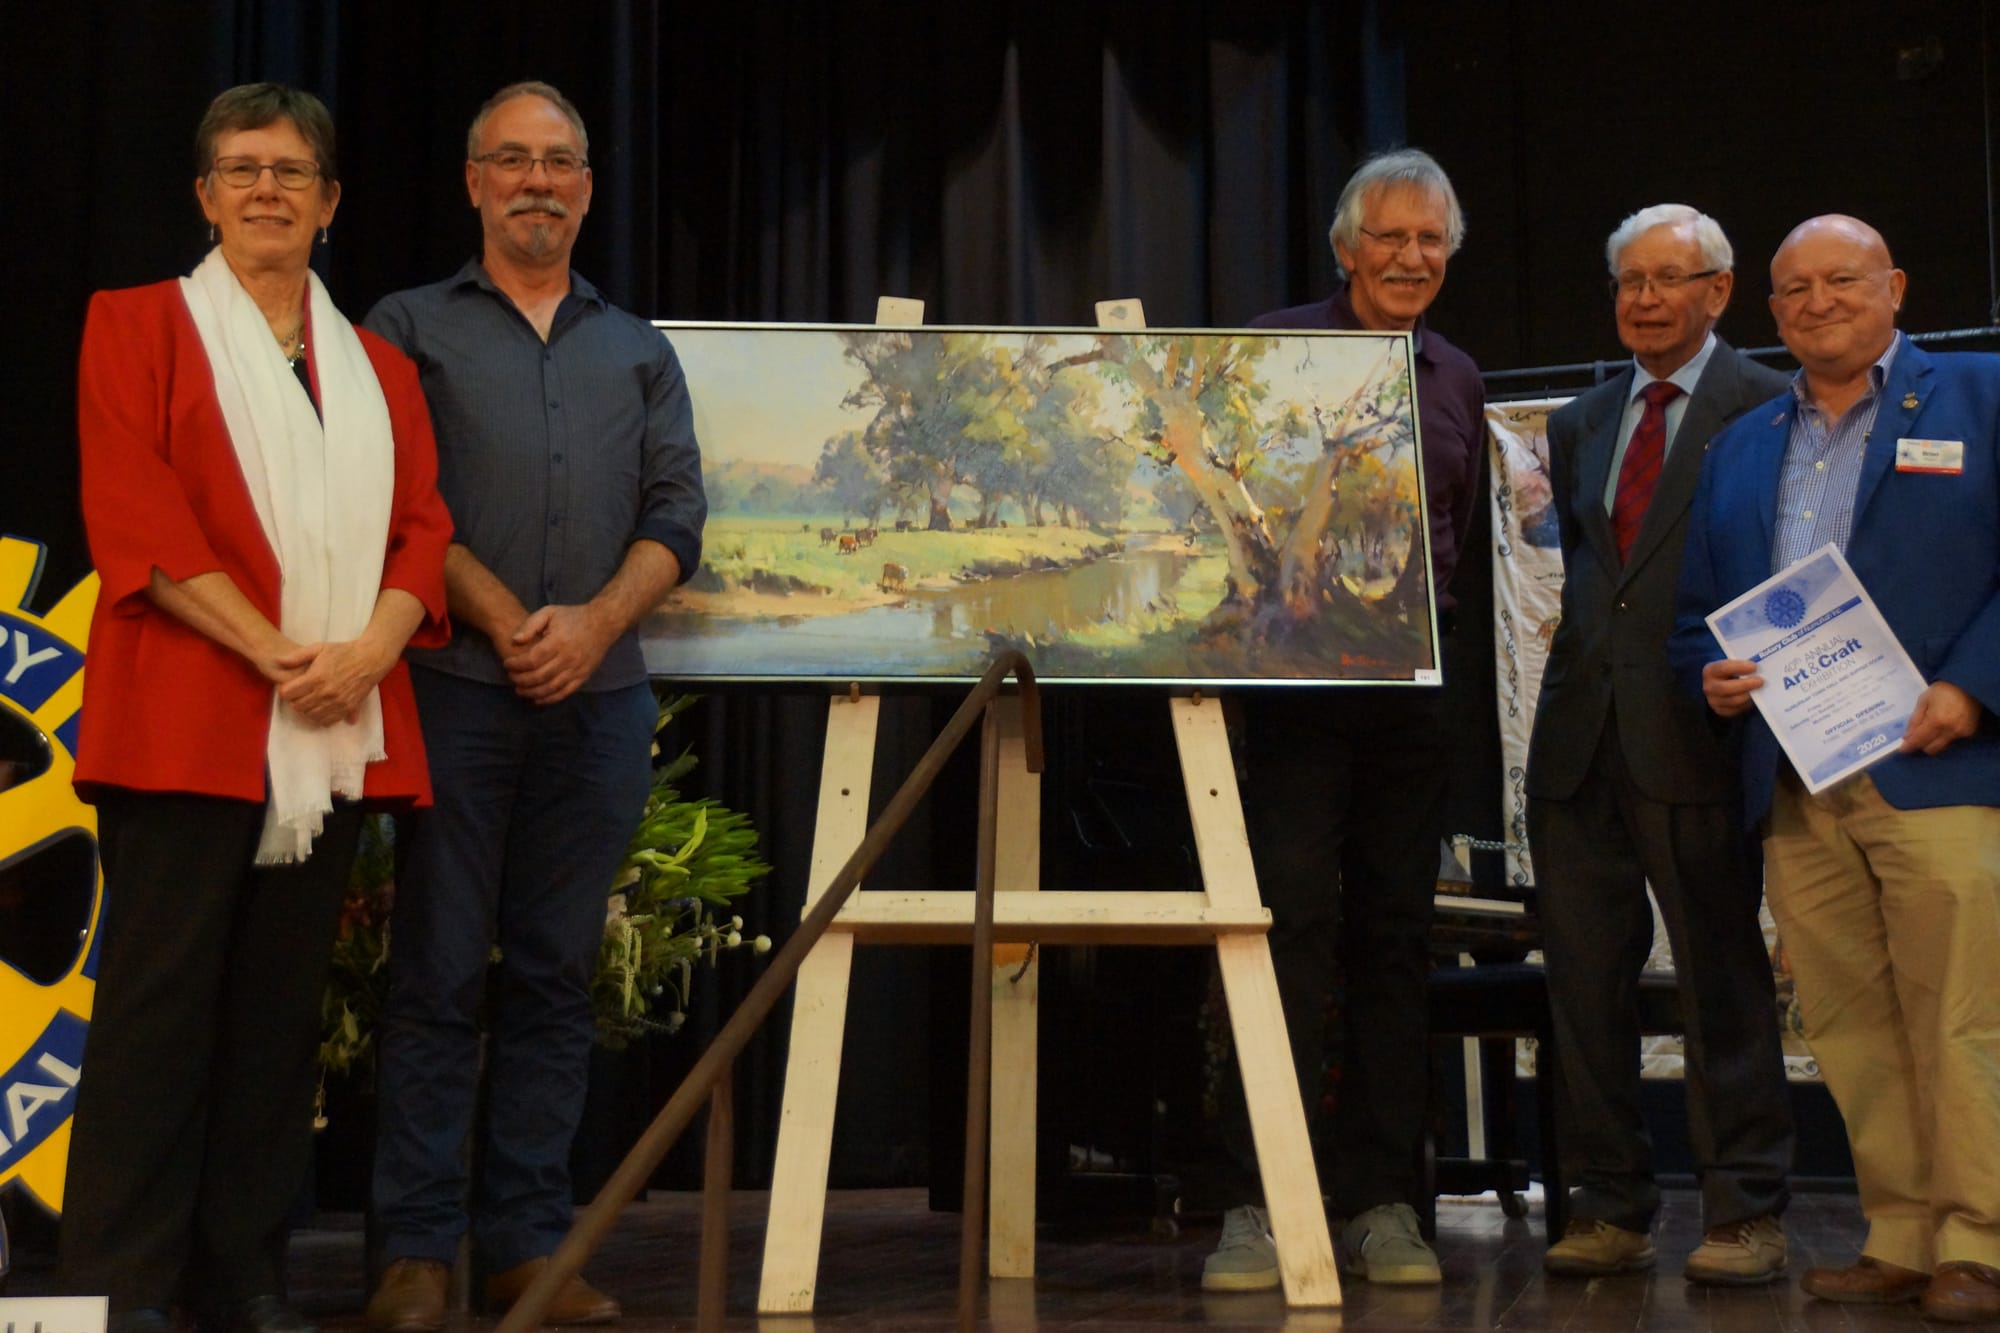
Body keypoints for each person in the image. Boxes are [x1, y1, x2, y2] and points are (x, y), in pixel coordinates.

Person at [60, 83, 451, 1333]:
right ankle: (121, 1290)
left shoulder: (381, 366)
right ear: (204, 197)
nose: (265, 189)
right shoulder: (134, 327)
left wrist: (370, 651)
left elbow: (422, 532)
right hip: (191, 722)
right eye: (240, 170)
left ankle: (246, 1281)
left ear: (329, 205)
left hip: (333, 733)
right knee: (156, 1020)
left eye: (290, 171)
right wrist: (286, 653)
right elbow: (139, 519)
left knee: (277, 1026)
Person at [361, 81, 706, 1333]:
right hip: (453, 688)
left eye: (559, 161)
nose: (537, 182)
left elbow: (678, 514)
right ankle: (411, 1255)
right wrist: (510, 622)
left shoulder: (639, 348)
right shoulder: (403, 326)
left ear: (588, 188)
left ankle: (524, 1248)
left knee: (556, 979)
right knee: (437, 974)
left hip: (599, 703)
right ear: (471, 181)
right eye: (511, 160)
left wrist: (596, 625)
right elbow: (397, 500)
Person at [1671, 215, 2000, 1323]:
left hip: (1938, 764)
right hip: (1795, 779)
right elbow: (1695, 621)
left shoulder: (1979, 397)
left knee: (1960, 1010)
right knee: (1850, 1022)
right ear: (1768, 311)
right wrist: (1711, 675)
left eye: (1840, 280)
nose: (1816, 301)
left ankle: (1979, 1241)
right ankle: (1901, 1232)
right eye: (1792, 288)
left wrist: (1973, 684)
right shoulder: (1738, 445)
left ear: (1893, 286)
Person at [1203, 148, 1485, 1292]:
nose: (1410, 257)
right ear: (1343, 248)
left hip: (1410, 699)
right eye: (1389, 238)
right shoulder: (1279, 350)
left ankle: (1380, 1202)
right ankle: (1253, 1200)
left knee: (1389, 937)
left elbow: (1457, 537)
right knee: (1278, 934)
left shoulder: (1456, 374)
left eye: (1430, 241)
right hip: (1289, 698)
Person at [1527, 204, 1795, 1283]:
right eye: (1627, 280)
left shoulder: (1769, 407)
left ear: (1718, 291)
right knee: (1583, 989)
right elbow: (1601, 579)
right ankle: (1607, 1206)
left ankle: (1742, 1212)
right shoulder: (1581, 419)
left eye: (1667, 279)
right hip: (1576, 747)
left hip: (1695, 733)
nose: (1643, 298)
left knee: (1719, 986)